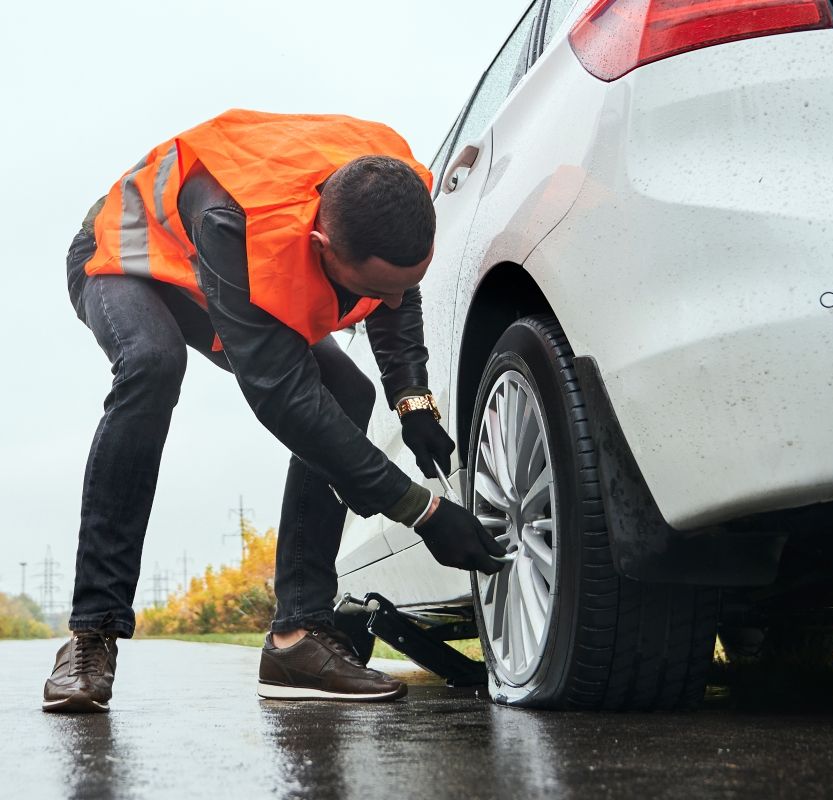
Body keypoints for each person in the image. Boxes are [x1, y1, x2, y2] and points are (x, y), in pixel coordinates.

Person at [42, 109, 506, 713]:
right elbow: (282, 398)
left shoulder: (391, 188)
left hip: (224, 256)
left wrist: (412, 399)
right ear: (320, 244)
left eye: (402, 284)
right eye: (375, 288)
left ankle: (297, 637)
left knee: (349, 393)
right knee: (152, 365)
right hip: (127, 255)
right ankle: (90, 636)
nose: (388, 302)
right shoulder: (234, 221)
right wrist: (423, 511)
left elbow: (395, 289)